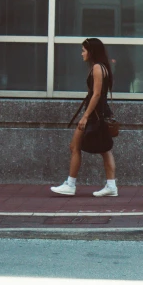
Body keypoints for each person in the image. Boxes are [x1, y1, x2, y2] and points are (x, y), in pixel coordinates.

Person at [51, 38, 118, 197]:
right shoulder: (103, 67)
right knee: (104, 150)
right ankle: (110, 186)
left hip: (95, 115)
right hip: (100, 113)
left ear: (91, 51)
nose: (82, 53)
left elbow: (95, 95)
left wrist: (85, 116)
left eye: (84, 50)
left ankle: (71, 184)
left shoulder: (97, 68)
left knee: (76, 146)